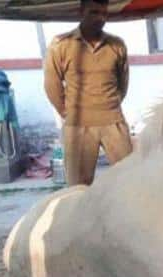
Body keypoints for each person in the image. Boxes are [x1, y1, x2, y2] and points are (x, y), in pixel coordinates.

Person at [44, 0, 132, 186]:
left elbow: (122, 83)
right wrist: (67, 112)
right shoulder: (61, 44)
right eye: (94, 12)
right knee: (78, 187)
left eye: (104, 13)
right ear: (81, 12)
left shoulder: (117, 45)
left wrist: (111, 103)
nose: (100, 18)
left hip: (113, 122)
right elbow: (52, 85)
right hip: (78, 126)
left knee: (130, 179)